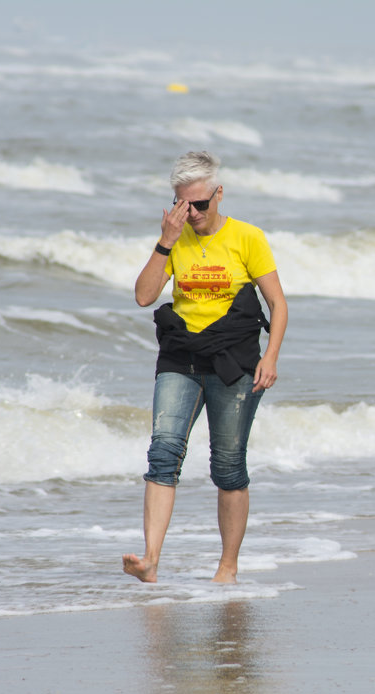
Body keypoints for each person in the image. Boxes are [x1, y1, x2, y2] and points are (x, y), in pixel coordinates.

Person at [123, 151, 289, 583]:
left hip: (234, 362)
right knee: (163, 452)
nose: (191, 213)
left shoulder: (247, 237)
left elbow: (277, 303)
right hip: (180, 357)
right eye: (182, 204)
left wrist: (269, 357)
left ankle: (227, 567)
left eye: (199, 204)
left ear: (218, 194)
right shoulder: (175, 239)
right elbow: (143, 296)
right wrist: (165, 240)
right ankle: (150, 560)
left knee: (228, 465)